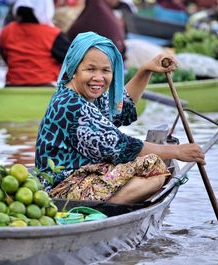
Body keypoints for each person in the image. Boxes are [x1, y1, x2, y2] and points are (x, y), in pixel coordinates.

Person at [35, 32, 205, 204]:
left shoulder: (85, 96)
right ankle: (103, 210)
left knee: (151, 164)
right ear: (74, 69)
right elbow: (121, 146)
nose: (99, 78)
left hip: (86, 175)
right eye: (90, 69)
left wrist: (146, 70)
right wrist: (177, 152)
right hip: (62, 190)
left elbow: (120, 108)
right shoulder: (71, 104)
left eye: (105, 70)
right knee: (155, 170)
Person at [0, 0, 70, 86]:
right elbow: (70, 61)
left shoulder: (7, 31)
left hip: (13, 86)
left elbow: (5, 57)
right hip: (46, 87)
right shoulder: (53, 34)